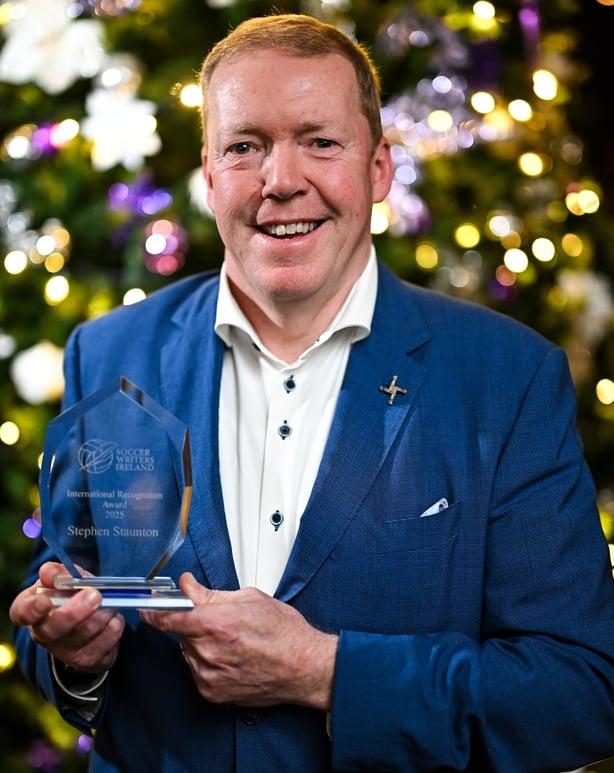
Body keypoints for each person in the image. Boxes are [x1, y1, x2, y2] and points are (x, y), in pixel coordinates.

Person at [9, 12, 614, 773]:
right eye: (245, 146)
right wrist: (72, 651)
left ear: (379, 169)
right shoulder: (108, 352)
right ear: (208, 173)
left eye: (320, 141)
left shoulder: (508, 377)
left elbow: (583, 692)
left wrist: (325, 671)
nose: (281, 180)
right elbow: (70, 606)